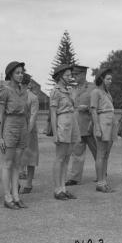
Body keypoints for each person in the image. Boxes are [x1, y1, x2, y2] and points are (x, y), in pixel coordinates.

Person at [0, 61, 29, 209]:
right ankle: (7, 196)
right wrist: (0, 136)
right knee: (8, 163)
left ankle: (16, 196)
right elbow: (0, 115)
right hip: (9, 126)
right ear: (10, 74)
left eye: (22, 72)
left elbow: (26, 112)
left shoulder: (24, 90)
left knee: (17, 164)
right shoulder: (5, 90)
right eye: (17, 72)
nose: (20, 75)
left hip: (22, 126)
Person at [50, 65, 80, 200]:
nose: (70, 77)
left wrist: (73, 95)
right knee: (60, 157)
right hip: (62, 122)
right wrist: (55, 133)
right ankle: (57, 190)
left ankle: (63, 187)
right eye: (67, 75)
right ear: (60, 76)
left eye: (70, 75)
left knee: (67, 157)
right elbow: (52, 114)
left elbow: (74, 106)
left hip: (72, 122)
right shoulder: (55, 91)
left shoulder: (69, 90)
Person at [66, 65, 97, 186]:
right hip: (77, 125)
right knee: (77, 152)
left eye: (77, 74)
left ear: (84, 74)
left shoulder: (93, 88)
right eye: (73, 75)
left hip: (90, 124)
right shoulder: (72, 89)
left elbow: (99, 104)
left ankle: (101, 174)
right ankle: (75, 177)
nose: (75, 77)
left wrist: (88, 108)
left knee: (97, 152)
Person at [90, 69, 117, 193]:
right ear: (101, 79)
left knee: (106, 154)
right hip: (102, 123)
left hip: (111, 123)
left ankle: (104, 181)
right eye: (108, 79)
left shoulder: (107, 93)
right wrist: (97, 127)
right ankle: (100, 183)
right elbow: (93, 110)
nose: (110, 81)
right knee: (100, 154)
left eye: (111, 79)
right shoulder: (96, 92)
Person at [19, 73, 39, 194]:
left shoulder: (32, 97)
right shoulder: (16, 96)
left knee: (30, 156)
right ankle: (23, 183)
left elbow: (33, 116)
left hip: (28, 131)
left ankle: (28, 183)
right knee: (19, 157)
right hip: (18, 129)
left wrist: (28, 131)